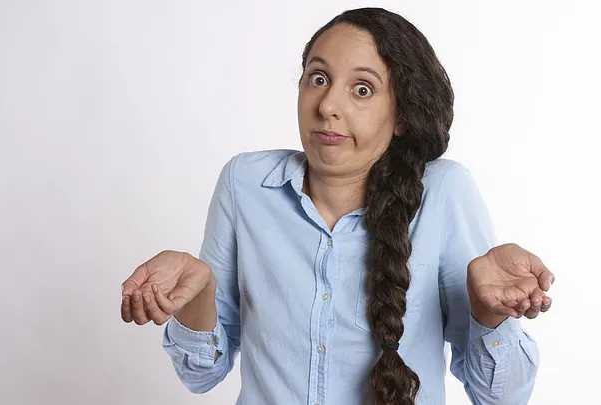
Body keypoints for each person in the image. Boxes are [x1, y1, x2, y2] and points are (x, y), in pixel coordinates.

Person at [120, 7, 555, 405]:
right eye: (318, 78)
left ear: (401, 114)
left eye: (362, 89)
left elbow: (502, 397)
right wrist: (200, 295)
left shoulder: (443, 192)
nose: (328, 106)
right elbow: (201, 376)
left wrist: (489, 313)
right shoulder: (245, 184)